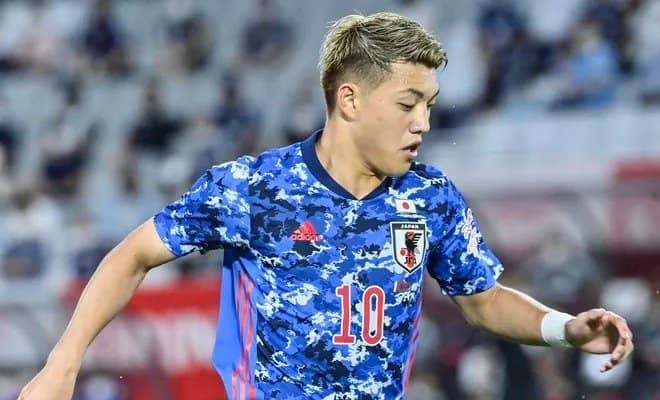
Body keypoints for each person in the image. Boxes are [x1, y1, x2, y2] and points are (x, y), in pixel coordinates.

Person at [19, 12, 634, 400]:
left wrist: (564, 328)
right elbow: (131, 255)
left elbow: (484, 301)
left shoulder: (430, 197)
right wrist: (62, 364)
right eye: (407, 103)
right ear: (350, 100)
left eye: (429, 105)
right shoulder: (256, 187)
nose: (423, 122)